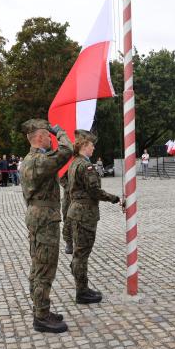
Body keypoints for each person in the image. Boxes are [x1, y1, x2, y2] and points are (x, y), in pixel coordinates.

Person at [20, 119, 72, 333]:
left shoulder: (32, 159)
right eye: (48, 136)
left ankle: (41, 309)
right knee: (45, 267)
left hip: (38, 216)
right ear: (40, 137)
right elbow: (67, 150)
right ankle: (41, 317)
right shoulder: (39, 160)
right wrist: (60, 132)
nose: (52, 139)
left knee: (38, 263)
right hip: (44, 218)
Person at [67, 130, 122, 306]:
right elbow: (94, 191)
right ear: (84, 145)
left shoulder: (74, 163)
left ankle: (81, 285)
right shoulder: (85, 166)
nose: (93, 147)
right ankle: (82, 292)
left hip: (76, 211)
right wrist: (115, 198)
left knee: (79, 253)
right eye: (91, 144)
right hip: (85, 214)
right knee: (82, 254)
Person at [59, 173, 72, 254]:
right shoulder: (67, 162)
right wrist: (69, 187)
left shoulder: (85, 161)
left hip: (81, 196)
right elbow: (60, 176)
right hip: (68, 197)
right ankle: (69, 242)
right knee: (67, 219)